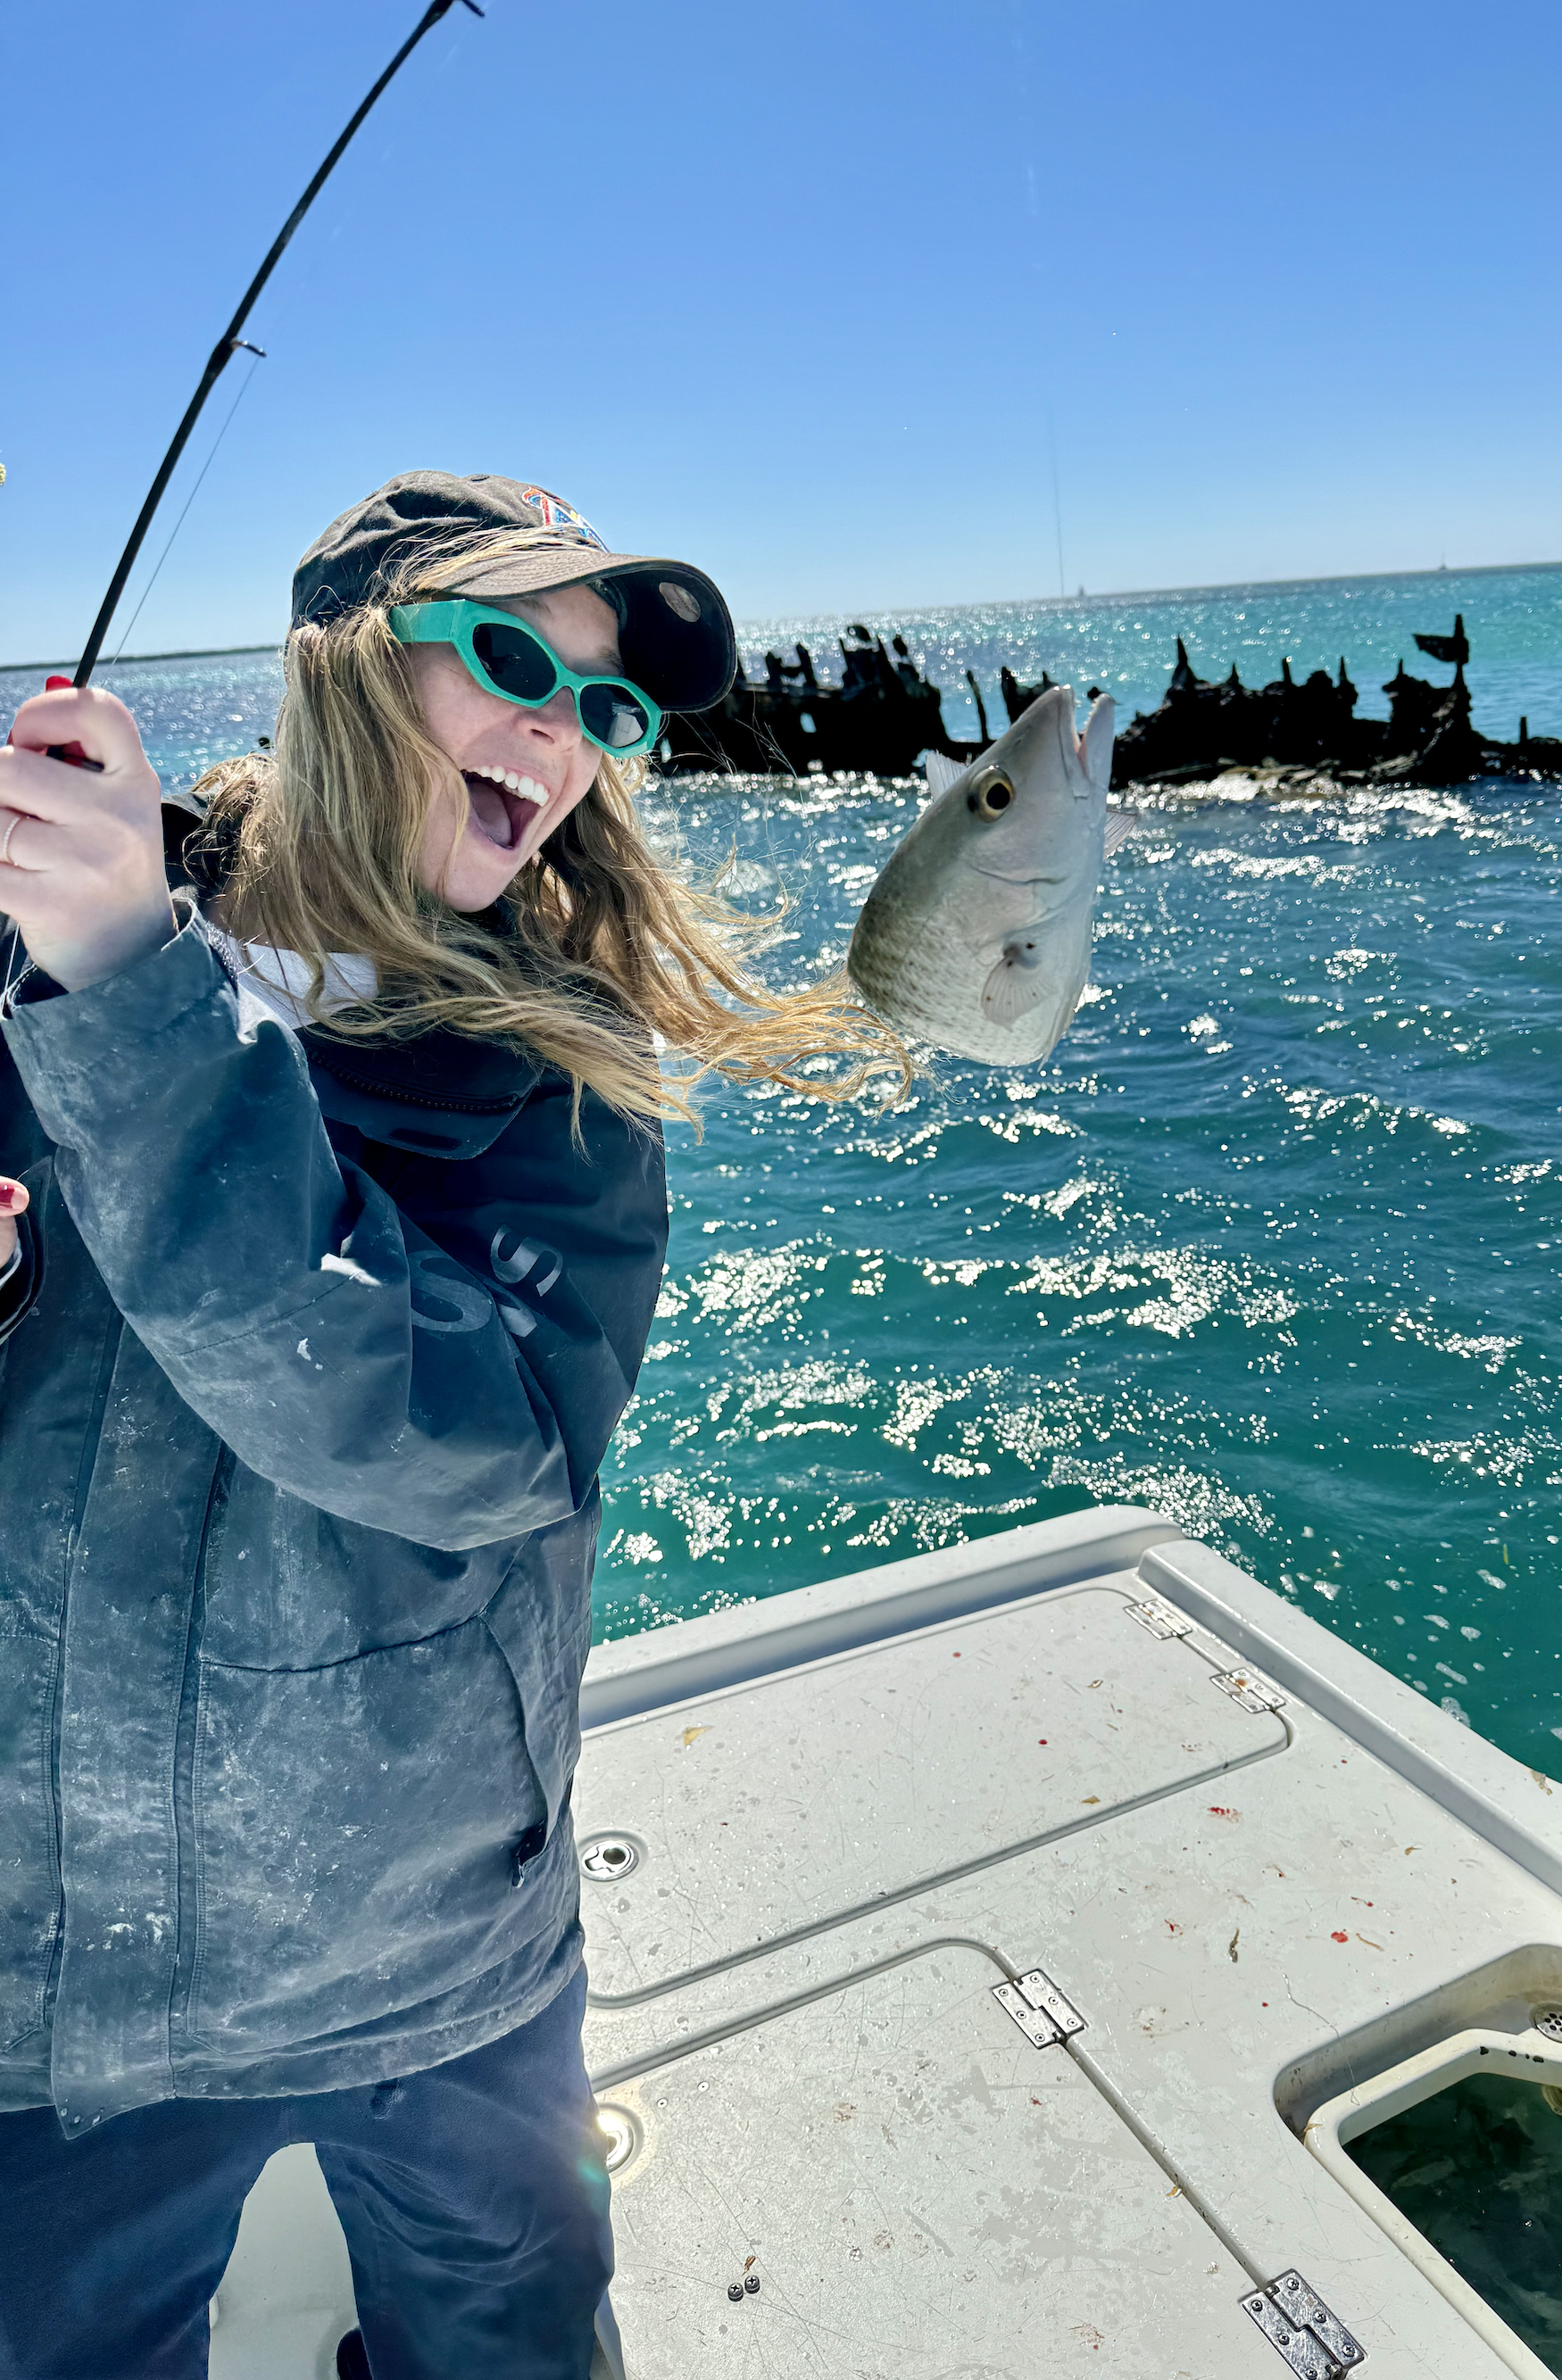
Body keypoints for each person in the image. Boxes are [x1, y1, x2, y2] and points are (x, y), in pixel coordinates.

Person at [0, 470, 907, 2379]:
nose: (566, 739)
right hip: (45, 1992)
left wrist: (134, 1011)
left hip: (444, 1964)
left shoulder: (556, 1064)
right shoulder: (49, 933)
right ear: (342, 669)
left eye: (610, 710)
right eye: (515, 661)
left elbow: (475, 1443)